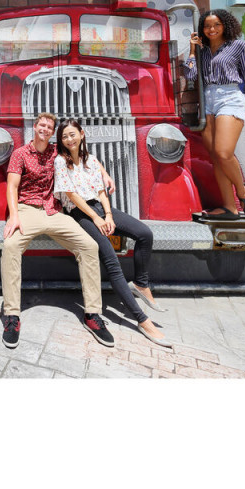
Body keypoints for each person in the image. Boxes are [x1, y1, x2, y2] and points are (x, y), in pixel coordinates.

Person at [54, 118, 171, 348]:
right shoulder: (60, 161)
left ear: (82, 134)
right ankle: (143, 321)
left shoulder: (91, 160)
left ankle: (141, 284)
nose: (69, 139)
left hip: (99, 208)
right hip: (80, 213)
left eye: (72, 134)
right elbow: (72, 195)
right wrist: (96, 218)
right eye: (64, 136)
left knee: (144, 233)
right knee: (111, 260)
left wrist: (108, 215)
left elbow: (101, 191)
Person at [1, 112, 113, 349]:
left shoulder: (57, 152)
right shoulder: (20, 154)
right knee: (10, 247)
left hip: (54, 210)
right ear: (34, 127)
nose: (44, 129)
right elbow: (12, 186)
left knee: (89, 246)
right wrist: (14, 216)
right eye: (41, 125)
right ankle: (11, 316)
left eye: (49, 127)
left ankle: (92, 314)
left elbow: (84, 157)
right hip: (27, 209)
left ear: (53, 133)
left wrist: (104, 173)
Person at [183, 8, 245, 219]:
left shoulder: (238, 46)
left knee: (224, 152)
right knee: (216, 158)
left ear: (225, 25)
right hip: (207, 101)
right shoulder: (203, 51)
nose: (212, 29)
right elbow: (190, 74)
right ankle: (229, 208)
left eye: (217, 24)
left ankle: (242, 193)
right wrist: (192, 51)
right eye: (207, 26)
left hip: (229, 98)